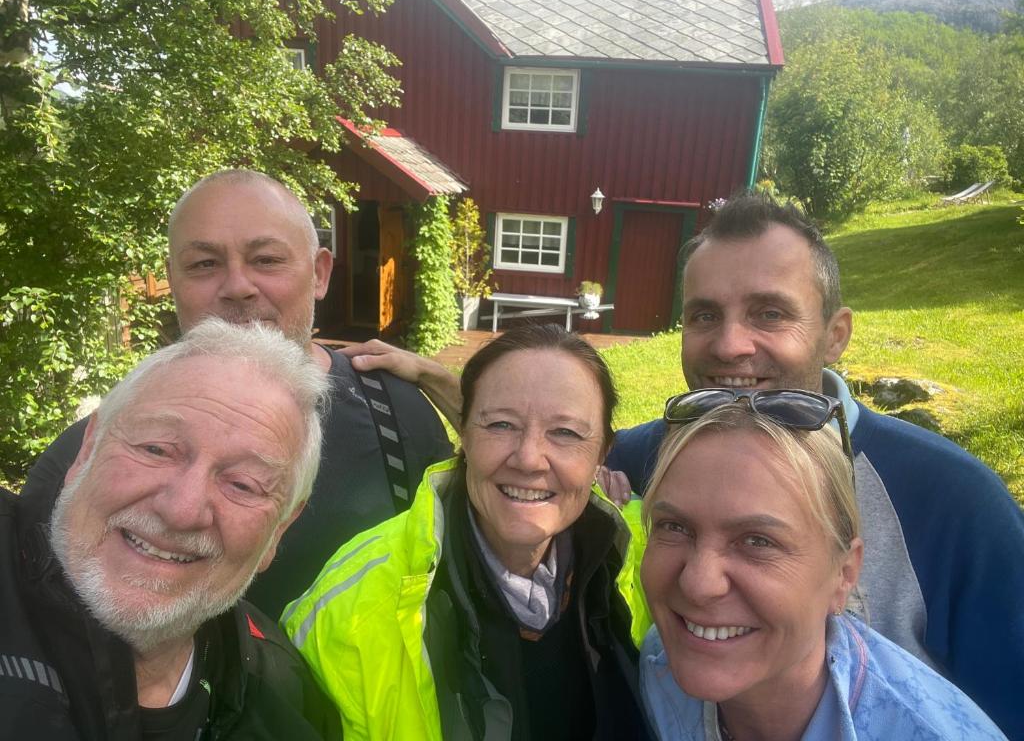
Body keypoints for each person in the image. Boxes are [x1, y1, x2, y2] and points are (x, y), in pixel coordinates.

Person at [341, 193, 1024, 738]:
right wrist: (447, 389)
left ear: (835, 334)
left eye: (769, 313)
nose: (730, 345)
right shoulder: (643, 459)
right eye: (703, 315)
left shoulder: (951, 500)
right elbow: (540, 457)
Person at [23, 168, 453, 619]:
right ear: (173, 280)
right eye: (204, 264)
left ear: (319, 273)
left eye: (266, 260)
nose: (237, 287)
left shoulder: (398, 414)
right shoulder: (90, 456)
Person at [282, 324, 652, 740]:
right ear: (465, 434)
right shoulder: (346, 617)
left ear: (602, 452)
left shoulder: (654, 557)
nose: (529, 459)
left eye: (565, 432)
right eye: (501, 425)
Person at [1, 319, 341, 739]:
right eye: (156, 449)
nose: (181, 511)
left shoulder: (290, 705)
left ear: (279, 530)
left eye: (242, 484)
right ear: (88, 448)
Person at [639, 390, 1006, 741]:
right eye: (674, 527)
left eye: (757, 541)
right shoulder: (664, 660)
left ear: (844, 575)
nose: (698, 584)